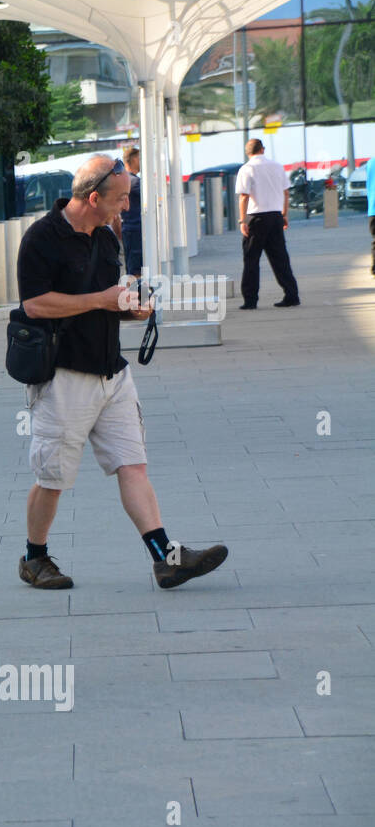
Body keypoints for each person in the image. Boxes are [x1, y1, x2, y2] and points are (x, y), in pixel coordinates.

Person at [16, 155, 228, 591]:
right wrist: (102, 300)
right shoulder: (42, 238)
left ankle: (166, 559)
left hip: (113, 374)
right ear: (93, 198)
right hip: (63, 377)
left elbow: (110, 299)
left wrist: (132, 309)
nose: (127, 208)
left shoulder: (107, 237)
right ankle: (34, 558)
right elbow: (35, 305)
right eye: (121, 199)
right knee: (52, 478)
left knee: (133, 467)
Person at [235, 138, 300, 310]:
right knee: (280, 258)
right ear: (263, 149)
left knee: (251, 259)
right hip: (275, 216)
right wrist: (284, 214)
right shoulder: (278, 167)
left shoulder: (247, 169)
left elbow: (244, 196)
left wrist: (242, 220)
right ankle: (291, 294)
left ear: (247, 152)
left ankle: (250, 300)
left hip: (255, 217)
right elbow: (286, 193)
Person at [120, 147, 142, 278]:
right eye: (140, 158)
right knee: (137, 270)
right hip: (136, 230)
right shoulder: (134, 182)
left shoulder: (125, 179)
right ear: (134, 159)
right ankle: (138, 296)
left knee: (132, 268)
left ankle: (134, 295)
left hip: (129, 229)